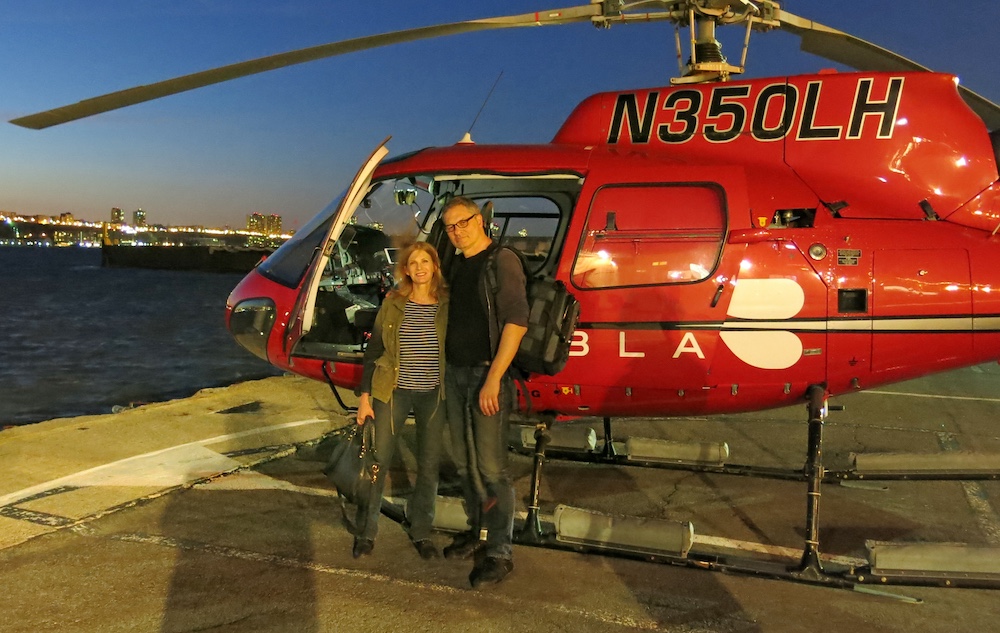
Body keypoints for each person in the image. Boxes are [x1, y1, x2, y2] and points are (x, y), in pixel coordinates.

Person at [439, 196, 529, 588]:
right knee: (463, 462)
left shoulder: (501, 260)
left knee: (493, 468)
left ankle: (499, 552)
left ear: (481, 220)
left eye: (462, 223)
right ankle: (477, 533)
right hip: (453, 374)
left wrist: (494, 377)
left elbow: (517, 320)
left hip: (484, 375)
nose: (456, 231)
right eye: (449, 227)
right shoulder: (456, 264)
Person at [353, 242, 448, 560]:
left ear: (434, 266)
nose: (420, 267)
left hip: (433, 393)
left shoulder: (447, 304)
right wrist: (364, 397)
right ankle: (366, 532)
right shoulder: (393, 302)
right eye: (413, 262)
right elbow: (375, 350)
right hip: (392, 390)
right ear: (405, 269)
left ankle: (421, 531)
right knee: (377, 461)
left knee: (429, 465)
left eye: (426, 261)